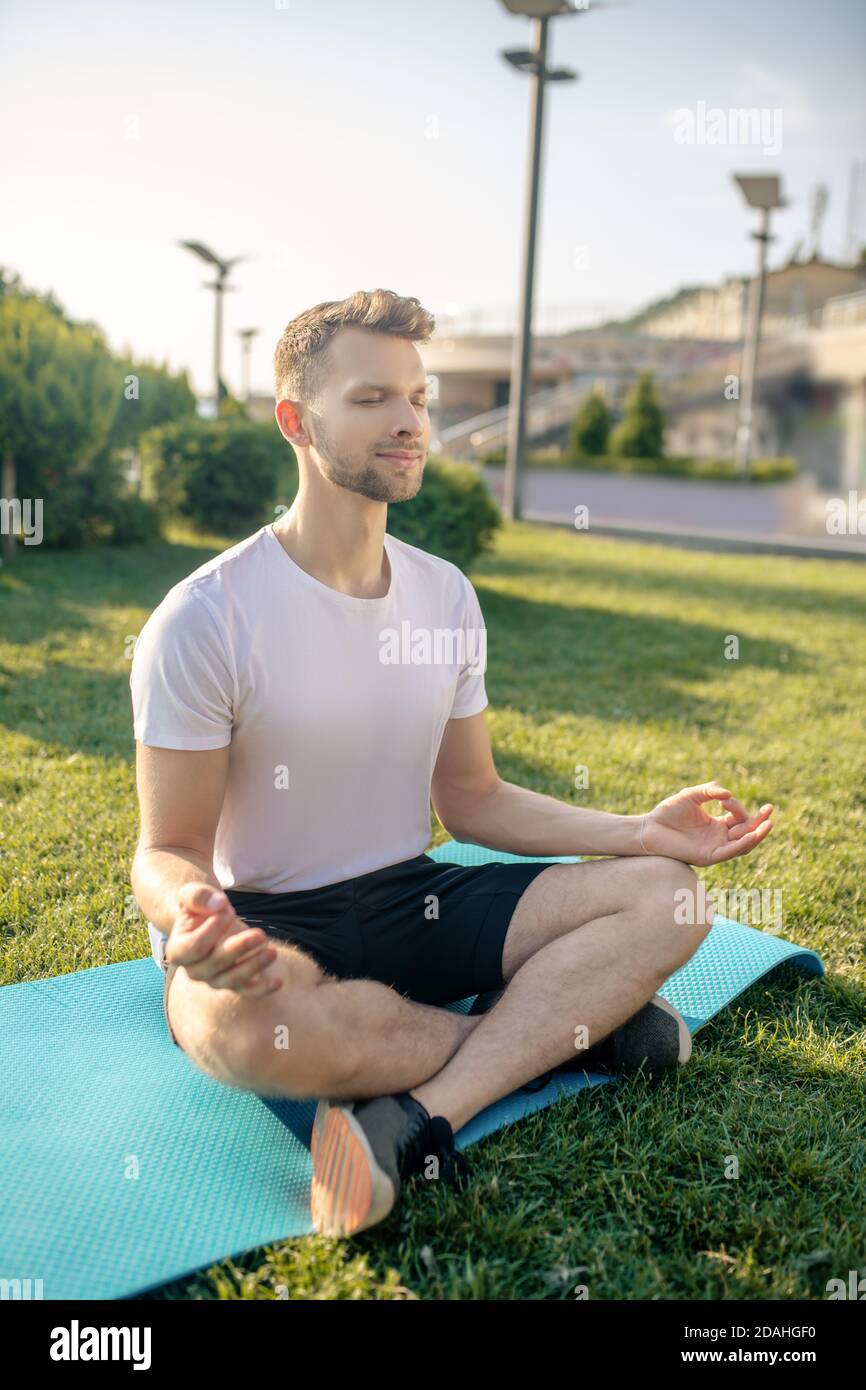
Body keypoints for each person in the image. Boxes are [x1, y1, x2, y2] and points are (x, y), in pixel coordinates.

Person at [129, 287, 774, 1237]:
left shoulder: (445, 597)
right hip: (264, 924)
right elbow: (167, 845)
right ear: (295, 420)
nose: (408, 423)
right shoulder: (206, 615)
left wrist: (640, 832)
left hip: (412, 898)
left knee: (668, 895)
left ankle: (427, 1115)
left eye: (419, 399)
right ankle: (567, 1032)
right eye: (372, 399)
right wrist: (191, 913)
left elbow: (472, 799)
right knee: (239, 1032)